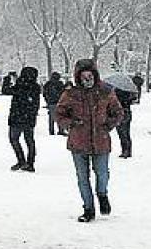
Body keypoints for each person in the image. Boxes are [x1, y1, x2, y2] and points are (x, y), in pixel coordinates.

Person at [55, 59, 124, 223]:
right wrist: (70, 124)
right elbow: (59, 113)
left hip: (100, 140)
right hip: (78, 141)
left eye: (90, 75)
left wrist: (108, 125)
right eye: (83, 75)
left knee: (102, 173)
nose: (87, 78)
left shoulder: (106, 92)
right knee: (82, 177)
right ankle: (88, 208)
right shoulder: (70, 94)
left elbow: (118, 111)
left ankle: (102, 193)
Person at [1, 67, 41, 171]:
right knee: (29, 140)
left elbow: (5, 90)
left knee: (14, 139)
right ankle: (30, 163)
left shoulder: (20, 85)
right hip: (28, 117)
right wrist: (33, 116)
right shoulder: (35, 87)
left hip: (17, 117)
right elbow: (36, 105)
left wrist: (7, 79)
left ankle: (21, 160)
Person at [112, 80, 136, 159]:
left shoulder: (116, 93)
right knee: (126, 133)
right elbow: (132, 100)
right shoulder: (128, 92)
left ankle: (125, 150)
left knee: (122, 133)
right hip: (127, 113)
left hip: (121, 114)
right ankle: (128, 150)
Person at [42, 72, 65, 136]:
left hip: (51, 103)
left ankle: (51, 131)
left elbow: (44, 93)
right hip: (59, 102)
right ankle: (61, 130)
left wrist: (47, 100)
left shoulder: (48, 84)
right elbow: (63, 93)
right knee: (60, 117)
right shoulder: (60, 84)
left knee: (51, 118)